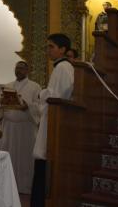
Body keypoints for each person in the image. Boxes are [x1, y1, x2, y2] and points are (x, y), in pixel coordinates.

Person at [30, 33, 75, 207]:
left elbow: (57, 96)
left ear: (63, 49)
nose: (47, 50)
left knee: (45, 167)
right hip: (51, 119)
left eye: (51, 47)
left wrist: (42, 94)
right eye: (47, 46)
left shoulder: (63, 68)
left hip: (54, 121)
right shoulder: (61, 67)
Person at [0, 60, 41, 194]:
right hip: (8, 127)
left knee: (25, 158)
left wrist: (28, 106)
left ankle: (25, 186)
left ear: (27, 71)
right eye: (17, 68)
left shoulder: (35, 87)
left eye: (21, 68)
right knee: (7, 154)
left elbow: (39, 106)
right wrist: (1, 103)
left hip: (25, 128)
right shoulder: (8, 86)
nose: (18, 70)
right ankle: (6, 185)